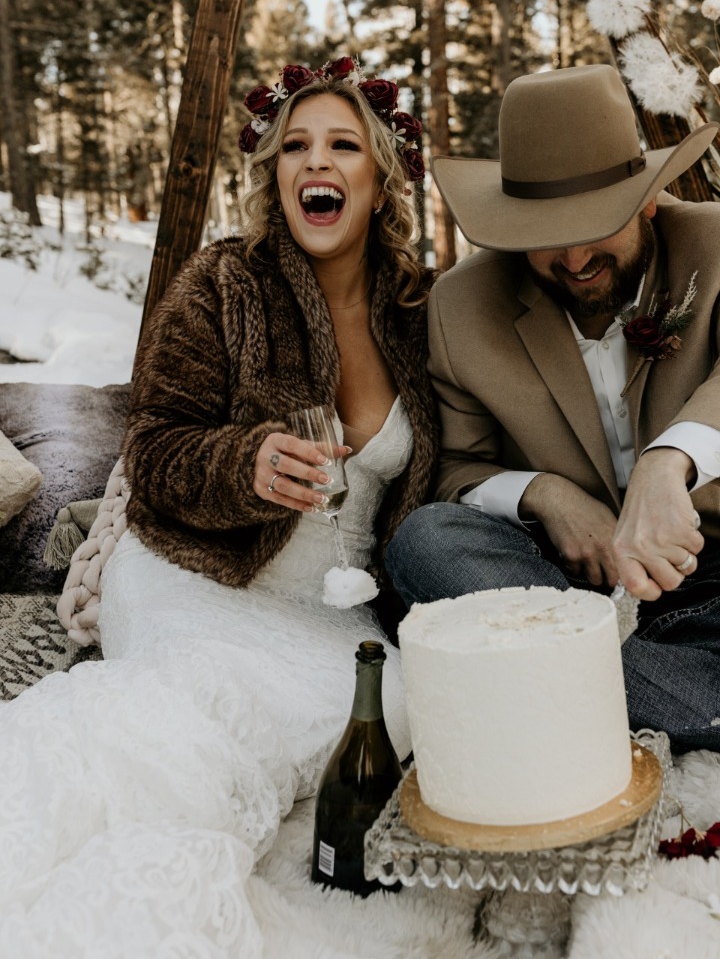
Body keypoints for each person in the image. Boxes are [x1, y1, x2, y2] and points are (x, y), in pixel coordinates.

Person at [0, 58, 438, 952]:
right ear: (274, 172)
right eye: (296, 146)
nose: (316, 163)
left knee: (401, 708)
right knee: (189, 729)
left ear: (380, 176)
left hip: (336, 613)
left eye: (343, 145)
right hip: (194, 572)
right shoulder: (221, 283)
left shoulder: (418, 311)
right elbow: (153, 447)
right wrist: (244, 462)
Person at [386, 63, 720, 760]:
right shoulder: (460, 307)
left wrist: (669, 463)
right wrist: (547, 495)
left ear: (650, 197)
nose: (574, 256)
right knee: (426, 543)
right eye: (544, 232)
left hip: (718, 569)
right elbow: (455, 472)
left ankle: (559, 667)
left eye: (597, 224)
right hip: (560, 582)